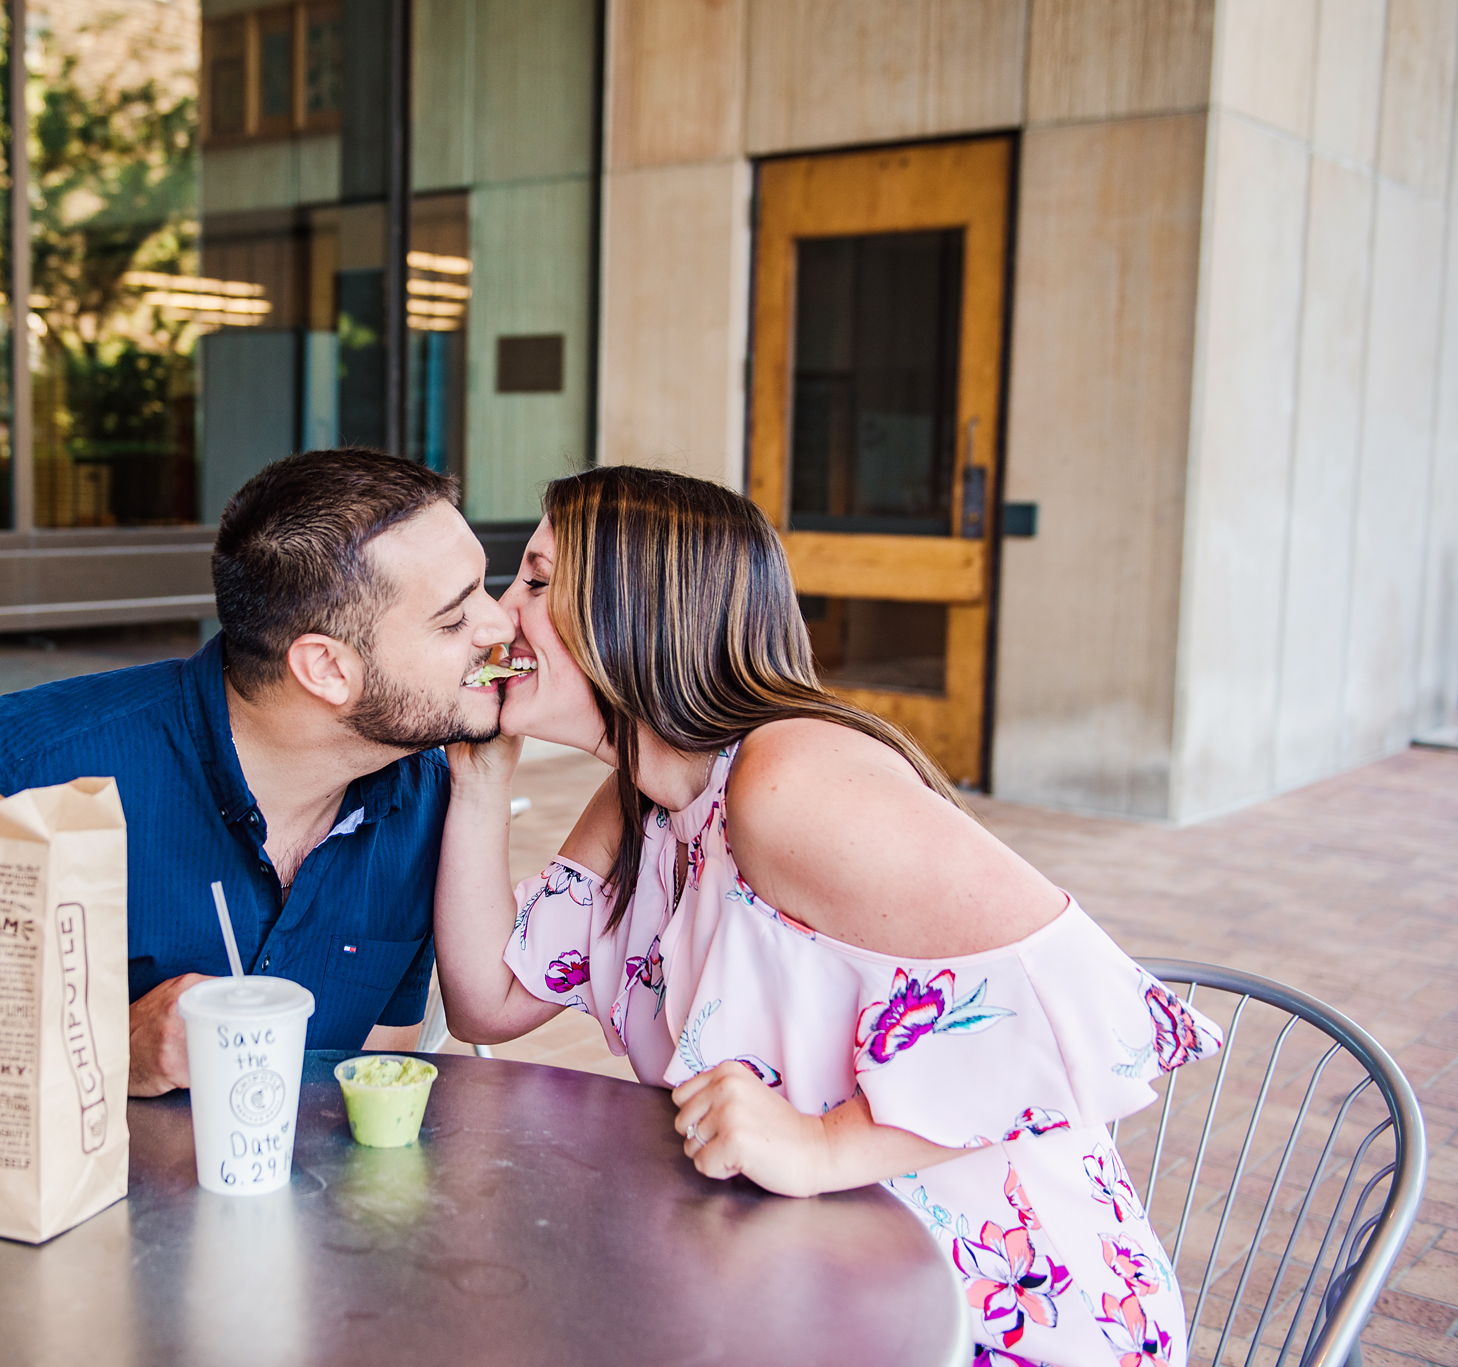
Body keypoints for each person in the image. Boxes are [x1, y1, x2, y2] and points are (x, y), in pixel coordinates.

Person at [433, 466, 1222, 1367]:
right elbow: (488, 1001)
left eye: (534, 581)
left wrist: (816, 1145)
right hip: (801, 1286)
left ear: (635, 611)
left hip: (1000, 1310)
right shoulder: (643, 799)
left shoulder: (786, 780)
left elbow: (1081, 1004)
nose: (500, 615)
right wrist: (480, 773)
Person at [0, 448, 515, 1184]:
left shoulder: (423, 800)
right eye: (455, 620)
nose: (499, 625)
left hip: (210, 1240)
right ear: (325, 668)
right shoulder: (22, 771)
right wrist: (97, 1052)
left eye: (487, 587)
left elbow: (371, 1067)